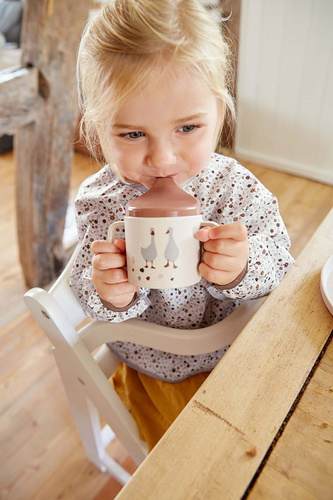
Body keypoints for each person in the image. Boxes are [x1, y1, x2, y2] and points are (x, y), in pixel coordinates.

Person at [71, 0, 294, 451]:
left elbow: (282, 263)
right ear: (98, 128)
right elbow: (85, 282)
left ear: (220, 110)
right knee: (192, 462)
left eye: (188, 127)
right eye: (132, 134)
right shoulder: (100, 202)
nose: (163, 159)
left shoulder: (234, 188)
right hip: (155, 371)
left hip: (238, 357)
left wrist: (244, 265)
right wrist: (110, 293)